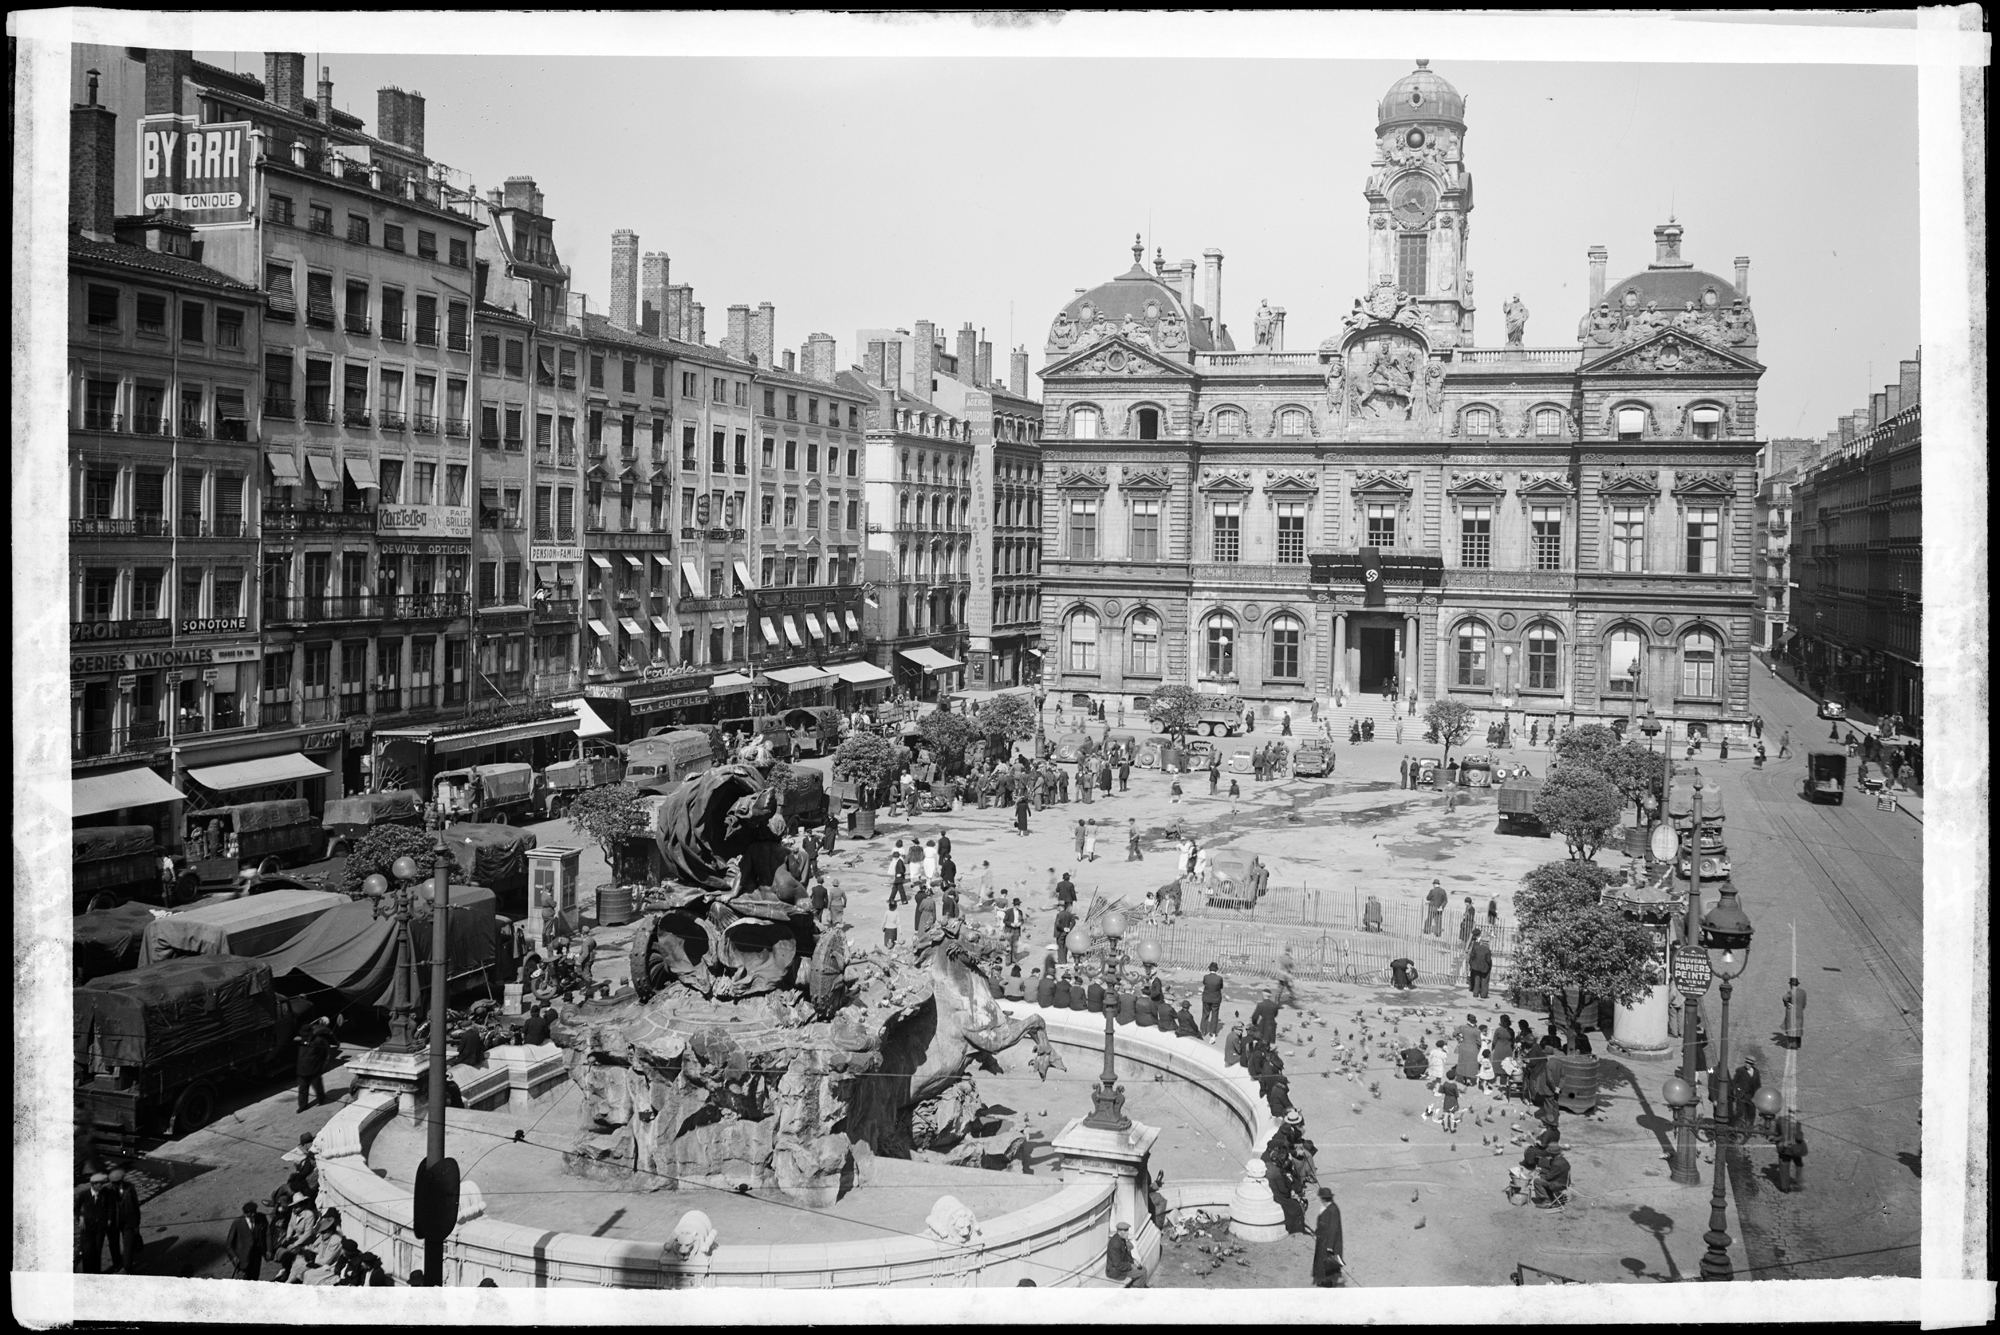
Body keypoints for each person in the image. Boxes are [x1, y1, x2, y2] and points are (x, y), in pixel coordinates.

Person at [296, 1018, 333, 1113]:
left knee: (304, 1088)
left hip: (305, 1069)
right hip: (311, 1068)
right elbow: (324, 1053)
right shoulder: (317, 1040)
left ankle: (303, 1105)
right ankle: (320, 1100)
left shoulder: (300, 1041)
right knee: (316, 1086)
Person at [224, 1200, 267, 1281]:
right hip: (242, 1261)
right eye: (250, 1213)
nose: (253, 1215)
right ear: (245, 1214)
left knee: (254, 1280)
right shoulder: (237, 1223)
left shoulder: (260, 1218)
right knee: (242, 1282)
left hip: (256, 1258)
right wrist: (234, 1257)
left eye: (254, 1212)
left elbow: (266, 1234)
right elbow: (229, 1245)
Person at [1106, 1221, 1147, 1286]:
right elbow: (1118, 1265)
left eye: (1127, 1230)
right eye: (1125, 1231)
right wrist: (1130, 1266)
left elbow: (1126, 1254)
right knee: (1143, 1272)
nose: (1127, 1233)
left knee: (1142, 1269)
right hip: (1115, 1271)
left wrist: (1134, 1262)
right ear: (1119, 1232)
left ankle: (1136, 1288)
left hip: (1122, 1266)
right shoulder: (1115, 1244)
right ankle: (1136, 1290)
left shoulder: (1122, 1239)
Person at [1778, 977, 1808, 1049]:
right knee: (1798, 1029)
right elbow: (1804, 1004)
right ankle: (1797, 1044)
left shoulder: (1791, 992)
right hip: (1799, 1012)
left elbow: (1784, 998)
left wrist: (1788, 1004)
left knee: (1790, 1028)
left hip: (1791, 1013)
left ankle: (1790, 1044)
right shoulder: (1803, 992)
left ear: (1791, 985)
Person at [1199, 962, 1226, 1037]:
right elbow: (1221, 987)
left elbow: (1204, 984)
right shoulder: (1219, 978)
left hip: (1206, 998)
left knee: (1205, 1014)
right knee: (1215, 1015)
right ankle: (1212, 1032)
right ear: (1216, 969)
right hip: (1216, 998)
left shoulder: (1206, 977)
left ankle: (1203, 1031)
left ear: (1209, 969)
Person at [1467, 930, 1493, 998]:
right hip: (1484, 968)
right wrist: (1489, 966)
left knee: (1477, 980)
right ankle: (1483, 995)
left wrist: (1472, 964)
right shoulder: (1487, 950)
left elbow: (1472, 956)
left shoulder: (1476, 948)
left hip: (1476, 967)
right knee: (1484, 981)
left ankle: (1475, 994)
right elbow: (1488, 960)